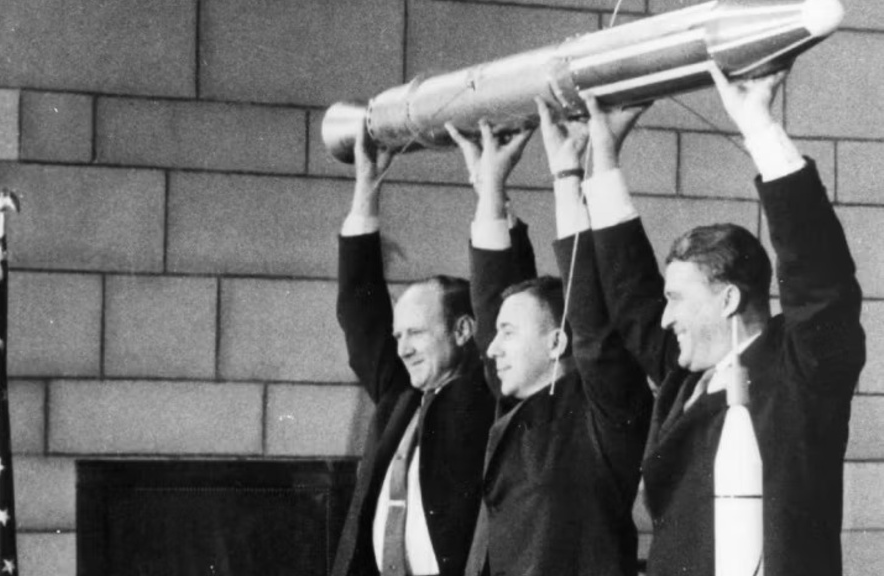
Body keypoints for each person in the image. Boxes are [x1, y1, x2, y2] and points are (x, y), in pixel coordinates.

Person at [583, 65, 866, 576]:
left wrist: (757, 125)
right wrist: (602, 158)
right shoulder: (688, 374)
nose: (664, 318)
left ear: (729, 299)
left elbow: (820, 280)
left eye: (676, 299)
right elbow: (630, 295)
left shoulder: (802, 371)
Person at [447, 106, 652, 576]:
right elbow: (491, 296)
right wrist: (491, 190)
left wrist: (566, 174)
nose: (491, 348)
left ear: (558, 341)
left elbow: (591, 316)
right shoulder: (518, 404)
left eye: (508, 334)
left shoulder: (604, 407)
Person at [332, 125, 496, 576]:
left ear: (465, 331)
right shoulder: (402, 394)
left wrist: (490, 185)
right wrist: (367, 185)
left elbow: (498, 286)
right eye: (398, 335)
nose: (401, 349)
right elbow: (360, 312)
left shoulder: (491, 396)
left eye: (416, 334)